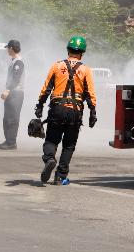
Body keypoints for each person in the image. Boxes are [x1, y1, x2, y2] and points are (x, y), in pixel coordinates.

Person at [34, 35, 98, 185]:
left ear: (68, 50)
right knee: (69, 145)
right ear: (82, 52)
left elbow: (46, 88)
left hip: (57, 109)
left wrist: (39, 105)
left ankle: (50, 159)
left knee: (51, 139)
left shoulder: (57, 66)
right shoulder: (86, 70)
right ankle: (60, 176)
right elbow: (90, 94)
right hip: (75, 111)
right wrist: (92, 112)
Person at [0, 39, 25, 150]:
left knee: (12, 118)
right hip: (12, 93)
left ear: (12, 49)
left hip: (16, 93)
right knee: (7, 118)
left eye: (8, 48)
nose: (7, 50)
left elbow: (16, 79)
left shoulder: (18, 62)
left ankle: (11, 142)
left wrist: (7, 90)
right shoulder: (14, 61)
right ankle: (8, 140)